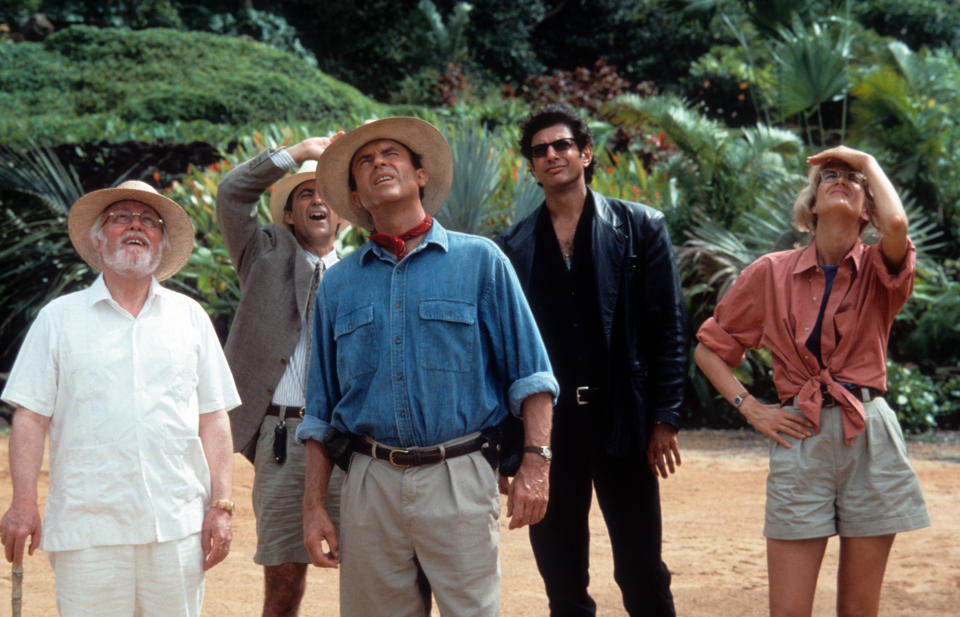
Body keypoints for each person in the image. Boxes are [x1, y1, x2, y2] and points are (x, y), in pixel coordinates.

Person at [295, 117, 559, 617]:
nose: (378, 164)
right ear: (356, 196)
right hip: (369, 484)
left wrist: (535, 465)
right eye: (365, 163)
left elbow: (533, 376)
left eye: (390, 154)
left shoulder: (482, 261)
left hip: (459, 476)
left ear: (420, 176)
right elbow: (320, 410)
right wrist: (313, 509)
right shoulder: (338, 284)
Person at [695, 146, 930, 617]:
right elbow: (709, 349)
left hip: (870, 433)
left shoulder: (882, 271)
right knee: (788, 610)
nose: (841, 179)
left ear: (869, 209)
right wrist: (751, 407)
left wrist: (865, 161)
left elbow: (898, 227)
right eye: (829, 176)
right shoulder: (769, 272)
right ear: (812, 204)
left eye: (853, 179)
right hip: (799, 434)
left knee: (859, 609)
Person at [0, 180, 240, 617]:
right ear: (98, 239)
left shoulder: (191, 318)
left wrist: (221, 506)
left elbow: (214, 416)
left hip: (176, 526)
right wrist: (22, 504)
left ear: (162, 244)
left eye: (149, 220)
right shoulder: (59, 319)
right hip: (88, 528)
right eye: (120, 218)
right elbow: (31, 417)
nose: (135, 226)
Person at [495, 105, 687, 617]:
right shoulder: (512, 247)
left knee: (643, 570)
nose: (552, 155)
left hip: (622, 420)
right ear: (531, 168)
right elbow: (504, 353)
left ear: (586, 154)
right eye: (540, 150)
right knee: (561, 577)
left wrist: (665, 417)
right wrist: (510, 447)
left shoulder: (641, 226)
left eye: (562, 145)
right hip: (550, 433)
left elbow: (668, 327)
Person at [217, 135, 346, 617]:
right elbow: (233, 193)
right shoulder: (262, 255)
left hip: (351, 440)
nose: (317, 201)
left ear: (344, 214)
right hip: (281, 438)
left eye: (326, 193)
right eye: (304, 194)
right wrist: (303, 150)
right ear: (288, 215)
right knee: (284, 589)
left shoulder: (363, 272)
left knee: (374, 576)